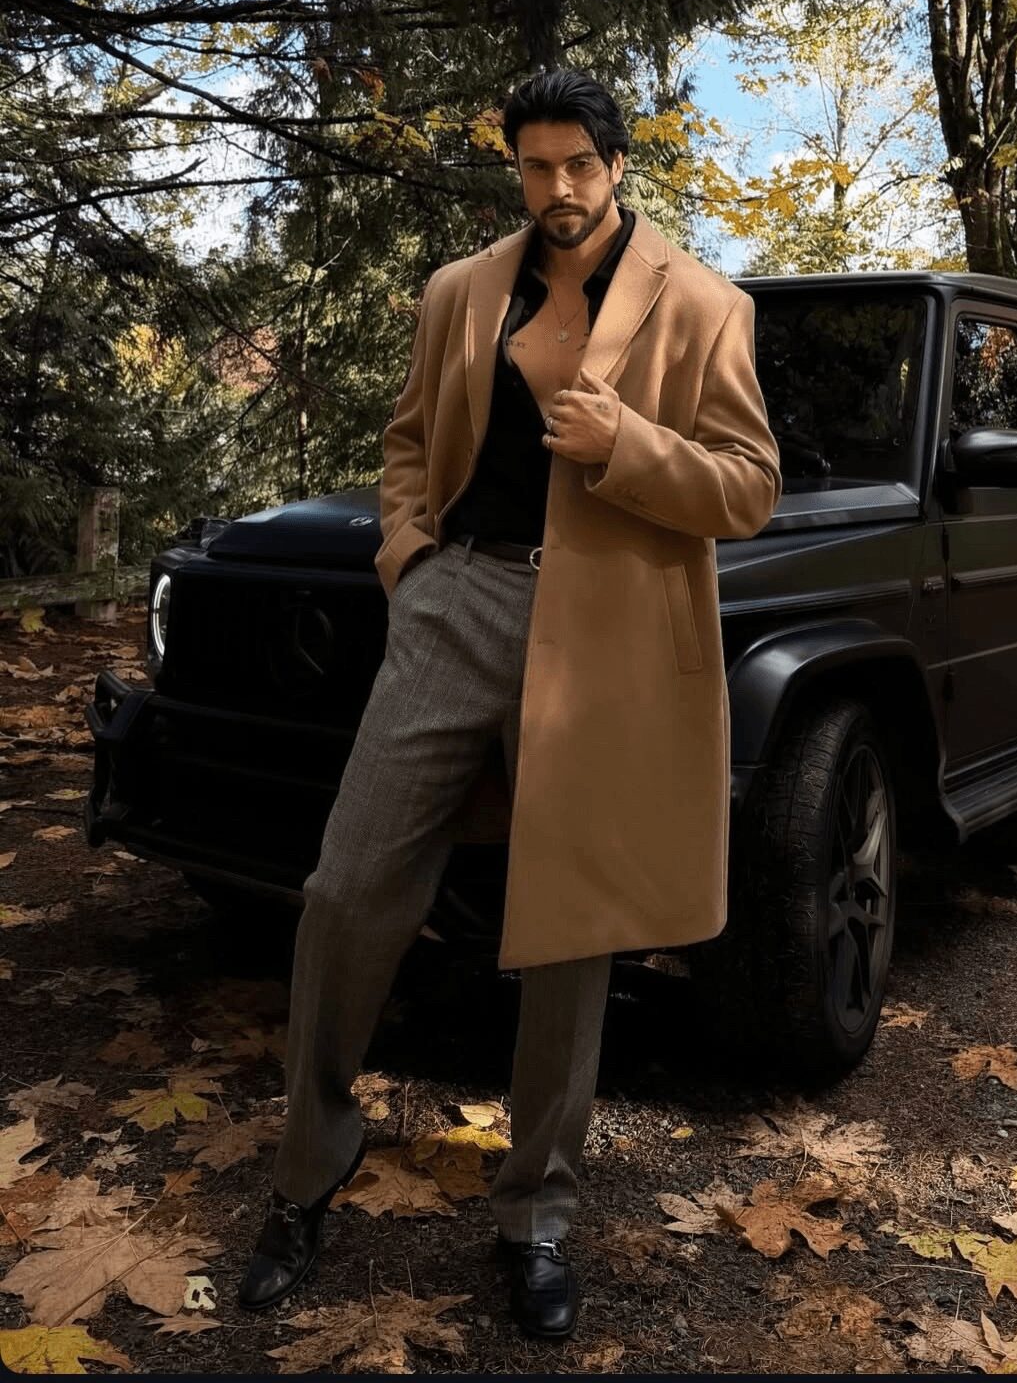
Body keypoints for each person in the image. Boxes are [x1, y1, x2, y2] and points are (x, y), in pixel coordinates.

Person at [236, 68, 781, 1339]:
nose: (559, 188)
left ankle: (536, 1213)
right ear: (517, 170)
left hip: (609, 626)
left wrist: (625, 445)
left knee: (570, 926)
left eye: (579, 163)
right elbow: (409, 441)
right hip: (459, 599)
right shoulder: (461, 291)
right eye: (537, 166)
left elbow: (748, 486)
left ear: (617, 163)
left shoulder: (706, 303)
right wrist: (410, 559)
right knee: (345, 885)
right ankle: (308, 1167)